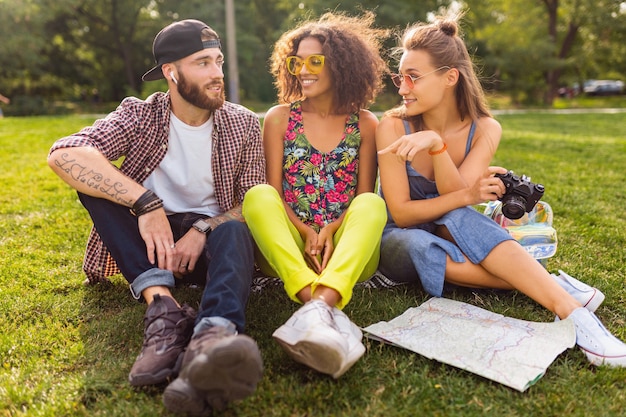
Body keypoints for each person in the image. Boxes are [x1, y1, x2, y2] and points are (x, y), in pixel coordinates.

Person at [375, 14, 626, 367]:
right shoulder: (391, 126)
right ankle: (546, 283)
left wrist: (436, 147)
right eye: (399, 77)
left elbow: (456, 202)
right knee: (419, 239)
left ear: (450, 77)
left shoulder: (486, 128)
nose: (402, 88)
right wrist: (464, 193)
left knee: (455, 213)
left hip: (456, 229)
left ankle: (574, 316)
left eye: (413, 77)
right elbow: (402, 213)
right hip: (398, 240)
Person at [48, 19, 265, 415]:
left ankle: (212, 337)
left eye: (218, 61)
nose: (217, 74)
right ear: (171, 72)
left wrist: (203, 227)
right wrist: (146, 204)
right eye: (202, 63)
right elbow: (64, 154)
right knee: (95, 186)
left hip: (209, 248)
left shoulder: (245, 123)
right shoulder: (139, 115)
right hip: (148, 246)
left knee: (235, 228)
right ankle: (162, 308)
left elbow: (255, 201)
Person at [242, 12, 388, 378]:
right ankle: (320, 304)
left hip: (347, 252)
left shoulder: (367, 124)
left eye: (314, 61)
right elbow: (275, 195)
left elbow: (361, 196)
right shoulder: (278, 118)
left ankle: (316, 305)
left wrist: (329, 230)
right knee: (258, 195)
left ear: (341, 66)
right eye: (296, 61)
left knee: (372, 204)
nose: (302, 69)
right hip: (288, 247)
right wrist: (306, 231)